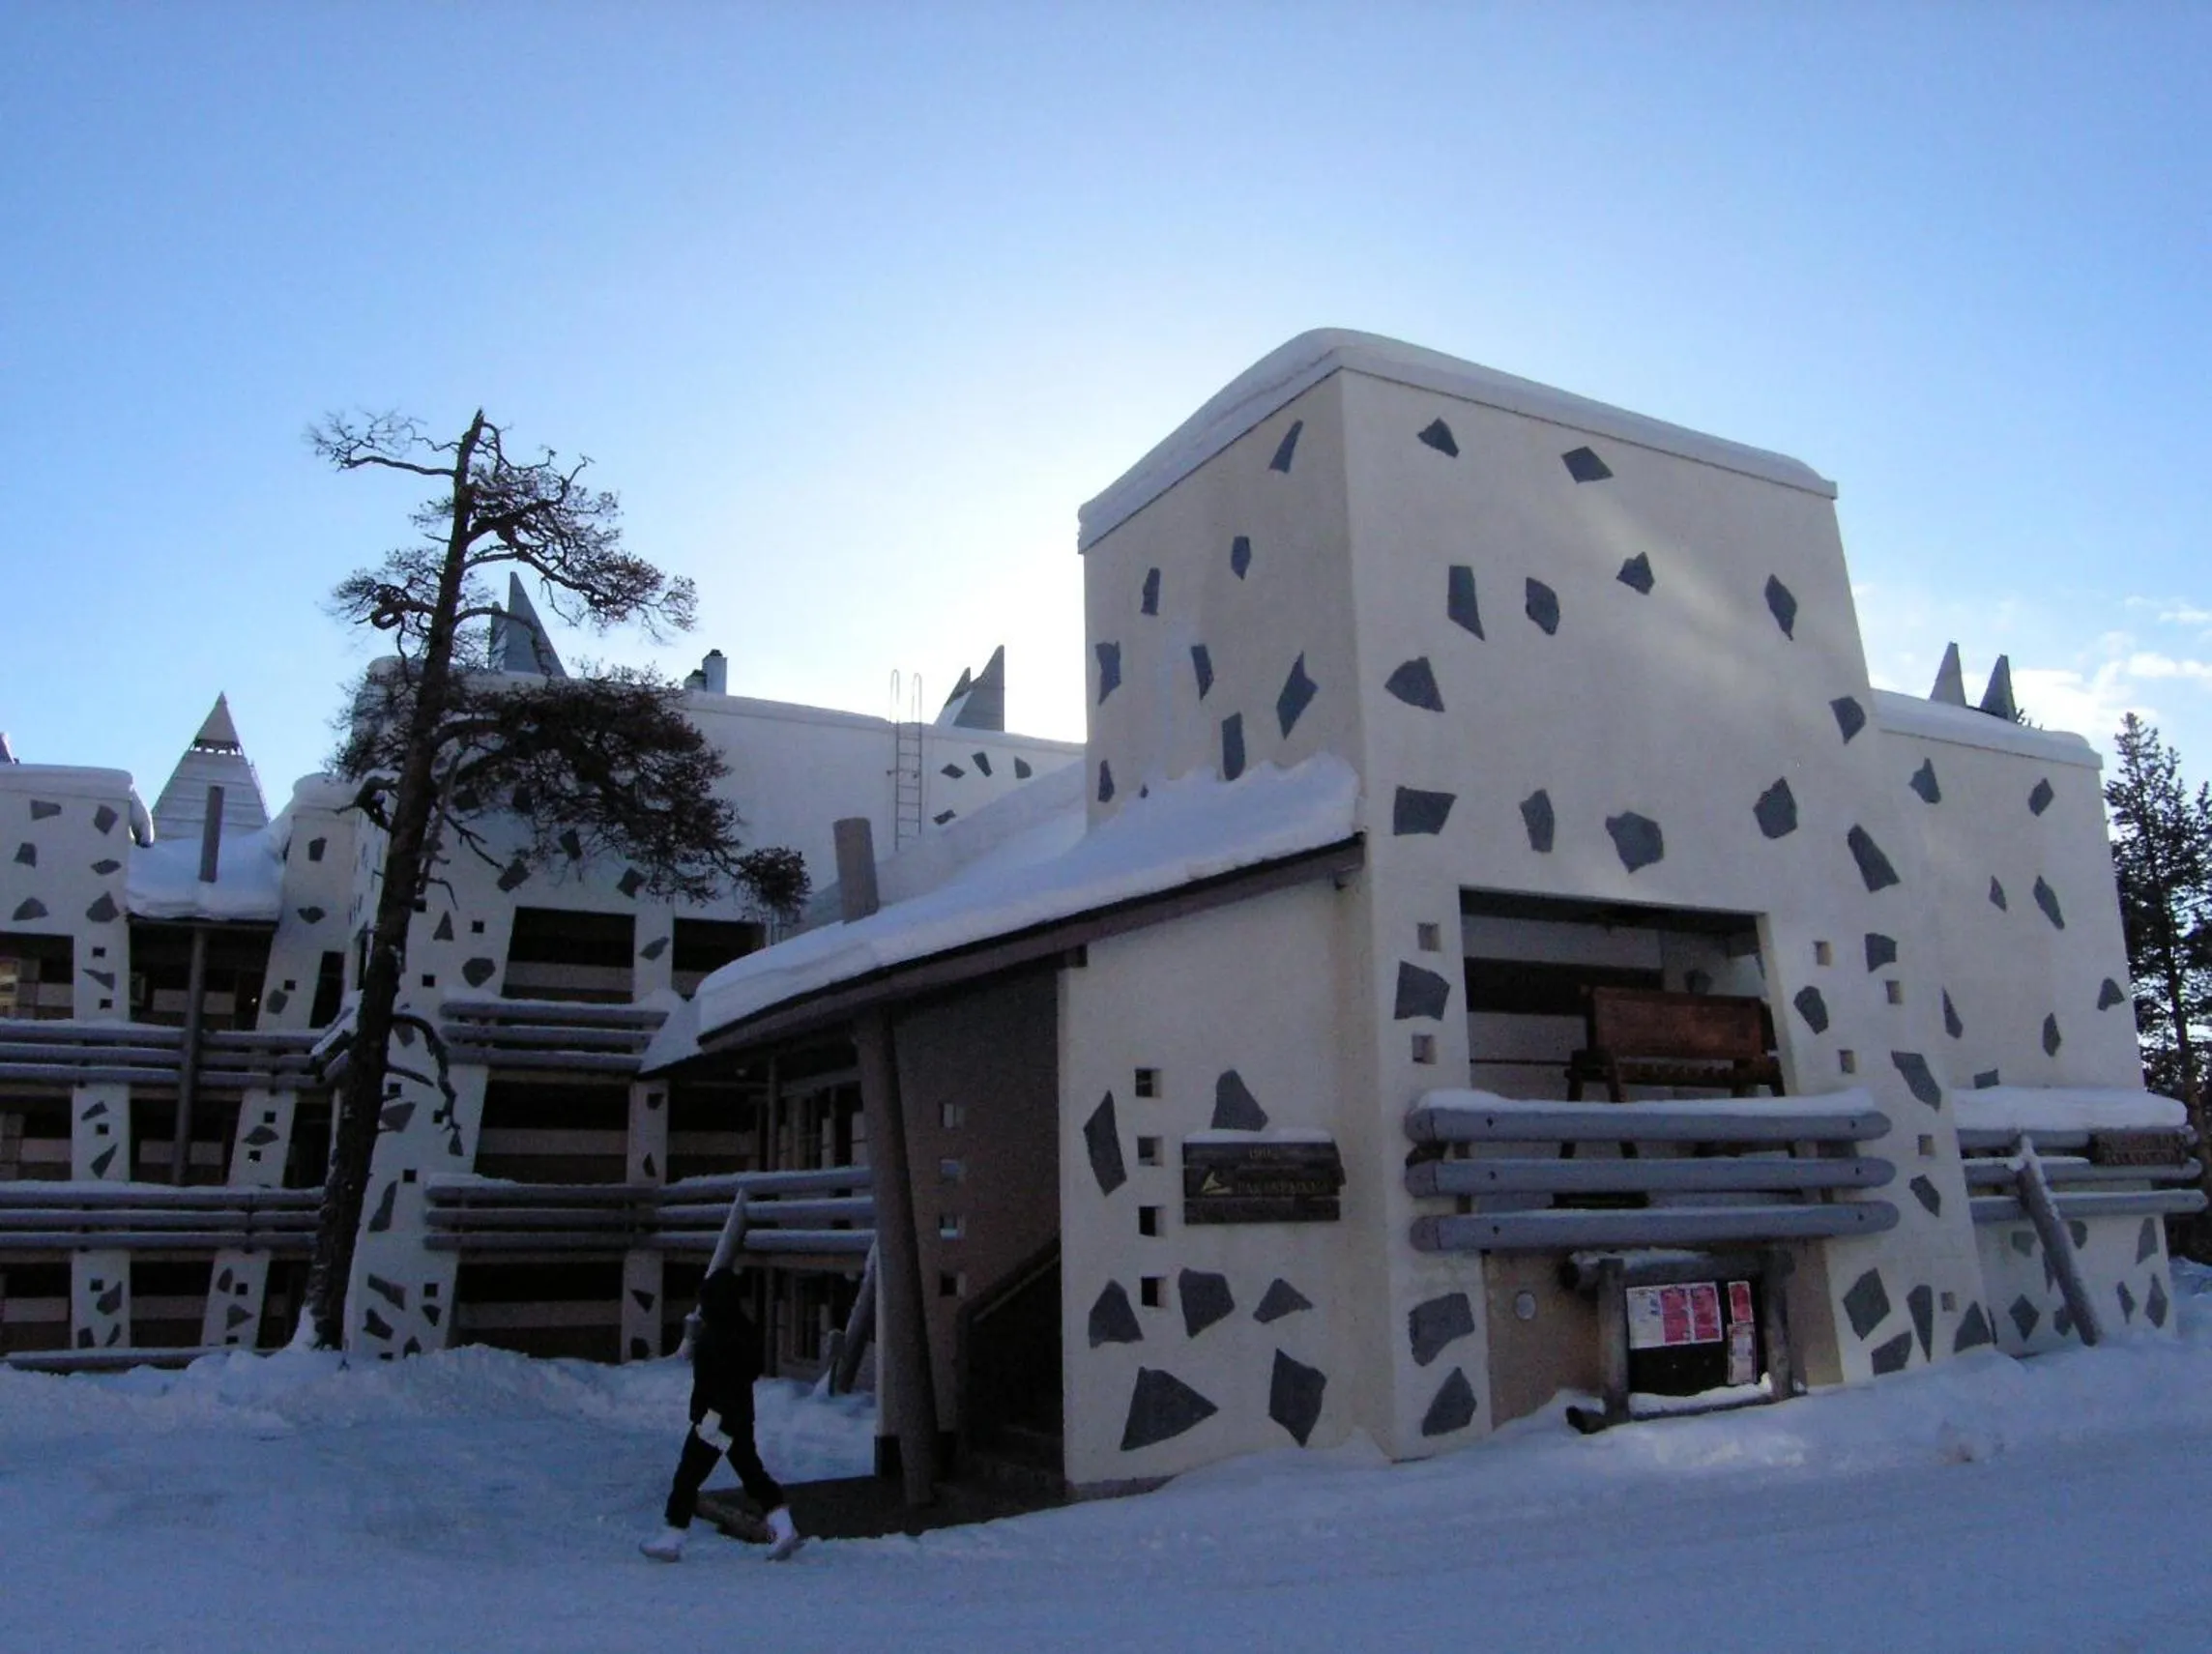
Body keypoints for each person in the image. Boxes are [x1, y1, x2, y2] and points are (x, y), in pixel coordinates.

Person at [640, 1268, 802, 1562]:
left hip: (715, 1419)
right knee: (751, 1474)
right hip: (739, 1414)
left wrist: (708, 1413)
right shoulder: (743, 1330)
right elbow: (747, 1372)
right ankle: (783, 1525)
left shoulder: (716, 1335)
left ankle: (673, 1536)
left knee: (688, 1476)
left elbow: (711, 1381)